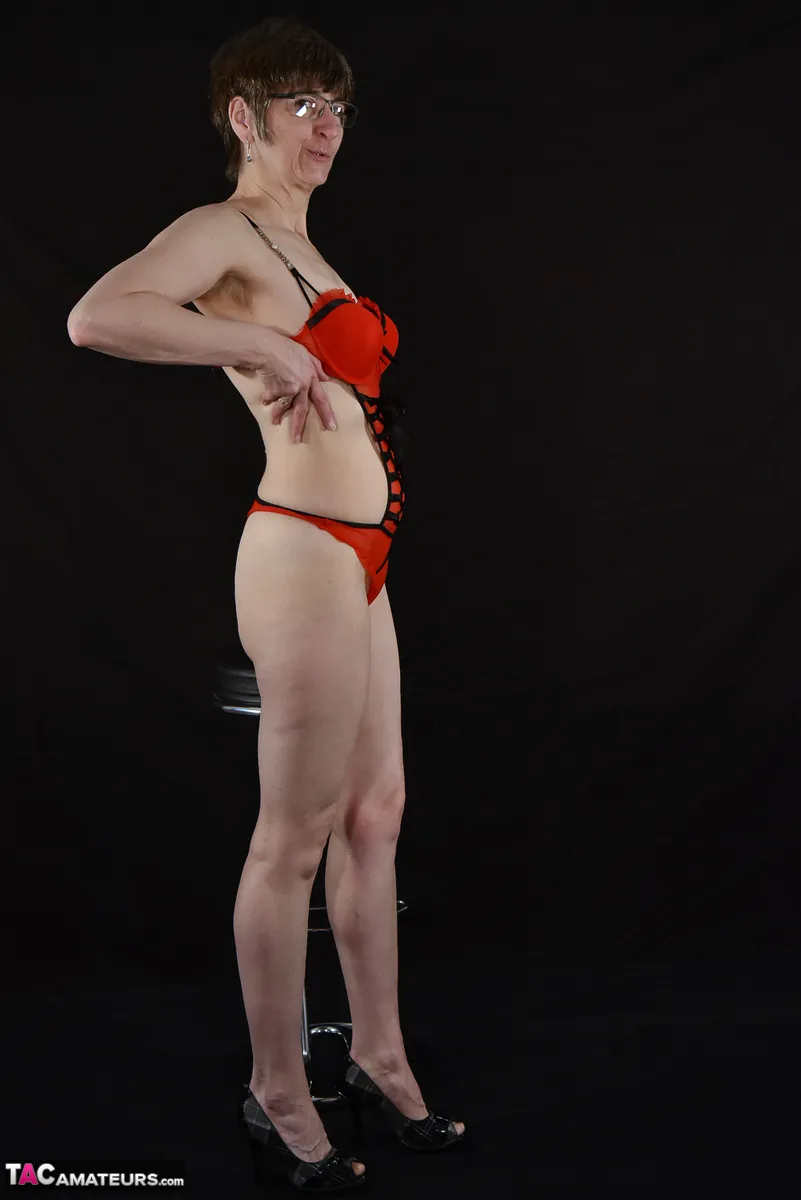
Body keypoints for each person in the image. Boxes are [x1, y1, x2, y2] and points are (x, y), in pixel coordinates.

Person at [67, 15, 465, 1193]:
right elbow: (99, 315)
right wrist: (258, 345)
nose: (325, 128)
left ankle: (381, 1062)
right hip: (299, 550)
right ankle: (277, 1089)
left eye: (336, 109)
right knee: (294, 835)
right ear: (243, 118)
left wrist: (283, 344)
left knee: (377, 814)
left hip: (366, 557)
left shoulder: (307, 245)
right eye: (301, 106)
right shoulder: (223, 231)